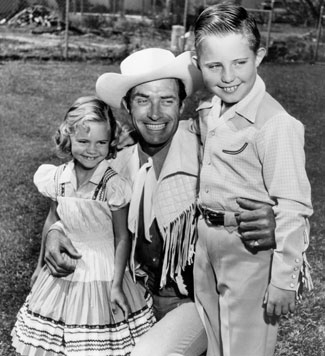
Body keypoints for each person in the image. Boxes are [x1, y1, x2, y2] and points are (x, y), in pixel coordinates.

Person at [41, 48, 277, 356]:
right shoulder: (114, 161)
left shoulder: (209, 146)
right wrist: (57, 231)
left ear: (183, 103)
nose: (155, 112)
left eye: (167, 99)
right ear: (127, 105)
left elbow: (275, 192)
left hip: (201, 299)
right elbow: (75, 204)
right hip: (135, 293)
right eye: (143, 100)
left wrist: (273, 219)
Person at [191, 4, 313, 356]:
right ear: (198, 62)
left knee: (245, 348)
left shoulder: (275, 124)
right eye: (214, 66)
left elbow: (292, 205)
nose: (228, 76)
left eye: (239, 63)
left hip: (248, 249)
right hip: (208, 243)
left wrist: (283, 280)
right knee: (214, 342)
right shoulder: (211, 109)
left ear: (258, 56)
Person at [11, 96, 155, 356]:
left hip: (102, 269)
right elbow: (53, 220)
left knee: (97, 336)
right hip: (65, 268)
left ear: (110, 143)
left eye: (101, 142)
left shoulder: (113, 185)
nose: (92, 150)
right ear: (68, 139)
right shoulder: (57, 178)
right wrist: (40, 265)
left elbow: (123, 237)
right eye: (83, 141)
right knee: (58, 336)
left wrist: (117, 283)